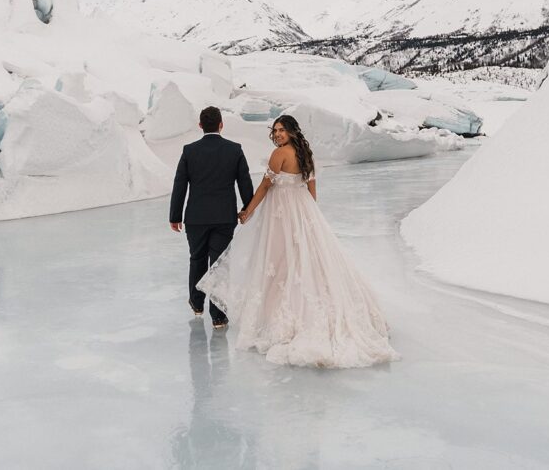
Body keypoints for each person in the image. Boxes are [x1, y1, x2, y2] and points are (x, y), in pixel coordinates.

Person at [197, 115, 399, 368]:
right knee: (302, 261)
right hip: (301, 209)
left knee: (280, 262)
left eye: (282, 130)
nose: (278, 134)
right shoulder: (306, 154)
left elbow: (264, 187)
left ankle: (280, 318)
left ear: (292, 131)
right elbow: (311, 187)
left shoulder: (279, 154)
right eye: (276, 130)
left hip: (281, 212)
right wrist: (310, 215)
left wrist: (248, 211)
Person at [169, 106, 254, 328]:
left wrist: (175, 216)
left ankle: (196, 303)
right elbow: (244, 182)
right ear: (221, 124)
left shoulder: (189, 151)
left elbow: (180, 185)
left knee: (197, 259)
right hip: (224, 217)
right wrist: (248, 208)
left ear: (200, 125)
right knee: (219, 264)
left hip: (195, 217)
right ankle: (218, 316)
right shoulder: (234, 150)